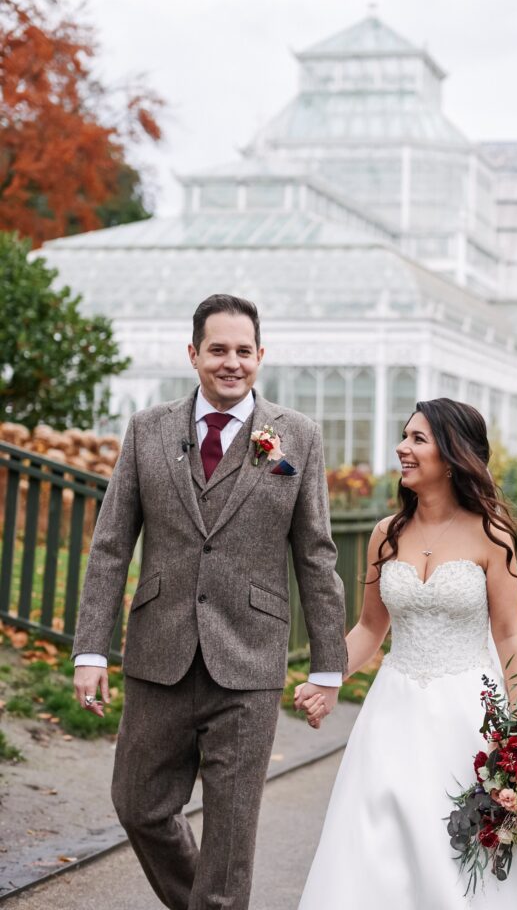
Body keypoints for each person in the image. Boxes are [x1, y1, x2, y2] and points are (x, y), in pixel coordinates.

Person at [297, 398, 517, 909]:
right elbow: (370, 629)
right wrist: (325, 679)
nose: (402, 447)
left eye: (417, 439)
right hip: (391, 713)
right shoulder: (386, 535)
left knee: (466, 843)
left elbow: (510, 635)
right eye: (404, 436)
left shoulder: (491, 536)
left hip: (469, 713)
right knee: (377, 834)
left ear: (452, 455)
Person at [72, 293, 347, 910]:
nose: (231, 362)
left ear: (261, 357)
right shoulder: (148, 429)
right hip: (158, 653)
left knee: (229, 839)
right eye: (217, 349)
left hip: (248, 663)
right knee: (138, 806)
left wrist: (328, 669)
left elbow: (316, 556)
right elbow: (112, 545)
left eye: (243, 351)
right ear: (193, 353)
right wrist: (90, 649)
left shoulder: (296, 437)